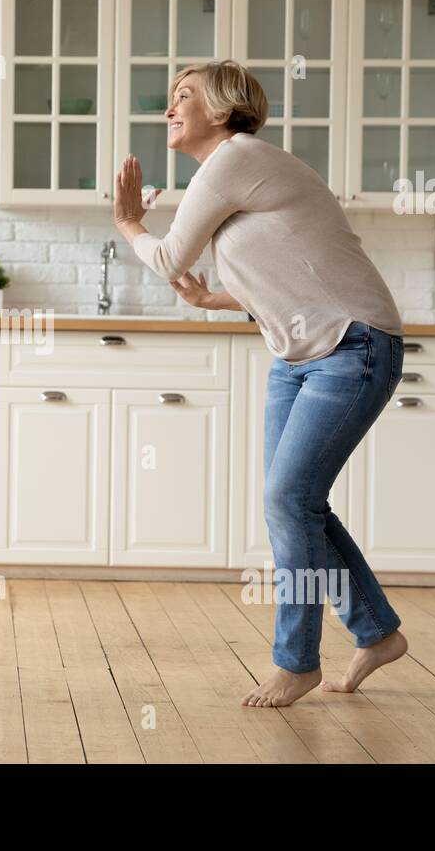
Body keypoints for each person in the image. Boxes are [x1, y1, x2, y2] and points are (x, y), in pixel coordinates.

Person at [114, 60, 409, 708]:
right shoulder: (232, 175)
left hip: (352, 346)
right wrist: (216, 301)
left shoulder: (234, 158)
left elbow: (166, 257)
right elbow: (291, 270)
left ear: (221, 111)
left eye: (183, 97)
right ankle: (377, 632)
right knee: (295, 503)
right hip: (299, 354)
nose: (170, 109)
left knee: (288, 500)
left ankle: (296, 661)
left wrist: (130, 222)